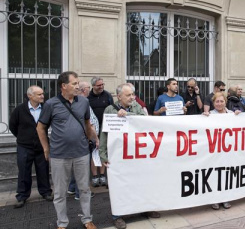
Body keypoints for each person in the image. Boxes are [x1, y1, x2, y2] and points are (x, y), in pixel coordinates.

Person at [36, 71, 99, 229]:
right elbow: (40, 128)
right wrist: (46, 148)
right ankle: (62, 223)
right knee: (60, 192)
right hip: (59, 155)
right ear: (64, 86)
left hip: (81, 153)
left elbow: (87, 123)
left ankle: (87, 219)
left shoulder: (84, 102)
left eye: (78, 83)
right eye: (74, 84)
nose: (78, 86)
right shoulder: (51, 104)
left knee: (84, 188)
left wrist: (95, 139)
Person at [99, 83, 161, 229]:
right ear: (119, 96)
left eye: (133, 94)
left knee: (142, 182)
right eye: (128, 95)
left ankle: (146, 208)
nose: (132, 97)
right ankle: (118, 215)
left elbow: (145, 121)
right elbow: (104, 133)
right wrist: (103, 154)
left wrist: (128, 115)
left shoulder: (136, 107)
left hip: (137, 153)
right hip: (119, 155)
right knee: (119, 185)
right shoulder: (110, 109)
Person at [9, 85, 53, 209]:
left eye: (42, 93)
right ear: (30, 96)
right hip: (24, 146)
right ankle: (22, 196)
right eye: (39, 94)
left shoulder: (46, 108)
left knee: (43, 169)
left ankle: (46, 192)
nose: (43, 96)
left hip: (41, 145)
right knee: (23, 171)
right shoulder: (20, 109)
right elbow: (13, 126)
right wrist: (23, 137)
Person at [202, 92, 240, 210]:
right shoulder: (210, 115)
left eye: (221, 101)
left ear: (225, 102)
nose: (219, 104)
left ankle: (226, 198)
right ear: (213, 103)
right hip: (215, 151)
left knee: (226, 173)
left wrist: (239, 116)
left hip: (228, 151)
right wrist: (203, 117)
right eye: (217, 102)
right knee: (214, 174)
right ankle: (214, 199)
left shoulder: (231, 114)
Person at [68, 81, 100, 199]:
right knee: (82, 167)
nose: (89, 89)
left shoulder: (79, 102)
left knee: (77, 164)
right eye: (88, 88)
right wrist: (95, 138)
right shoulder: (82, 103)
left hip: (81, 139)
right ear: (83, 90)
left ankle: (72, 188)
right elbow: (89, 124)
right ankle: (80, 193)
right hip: (85, 139)